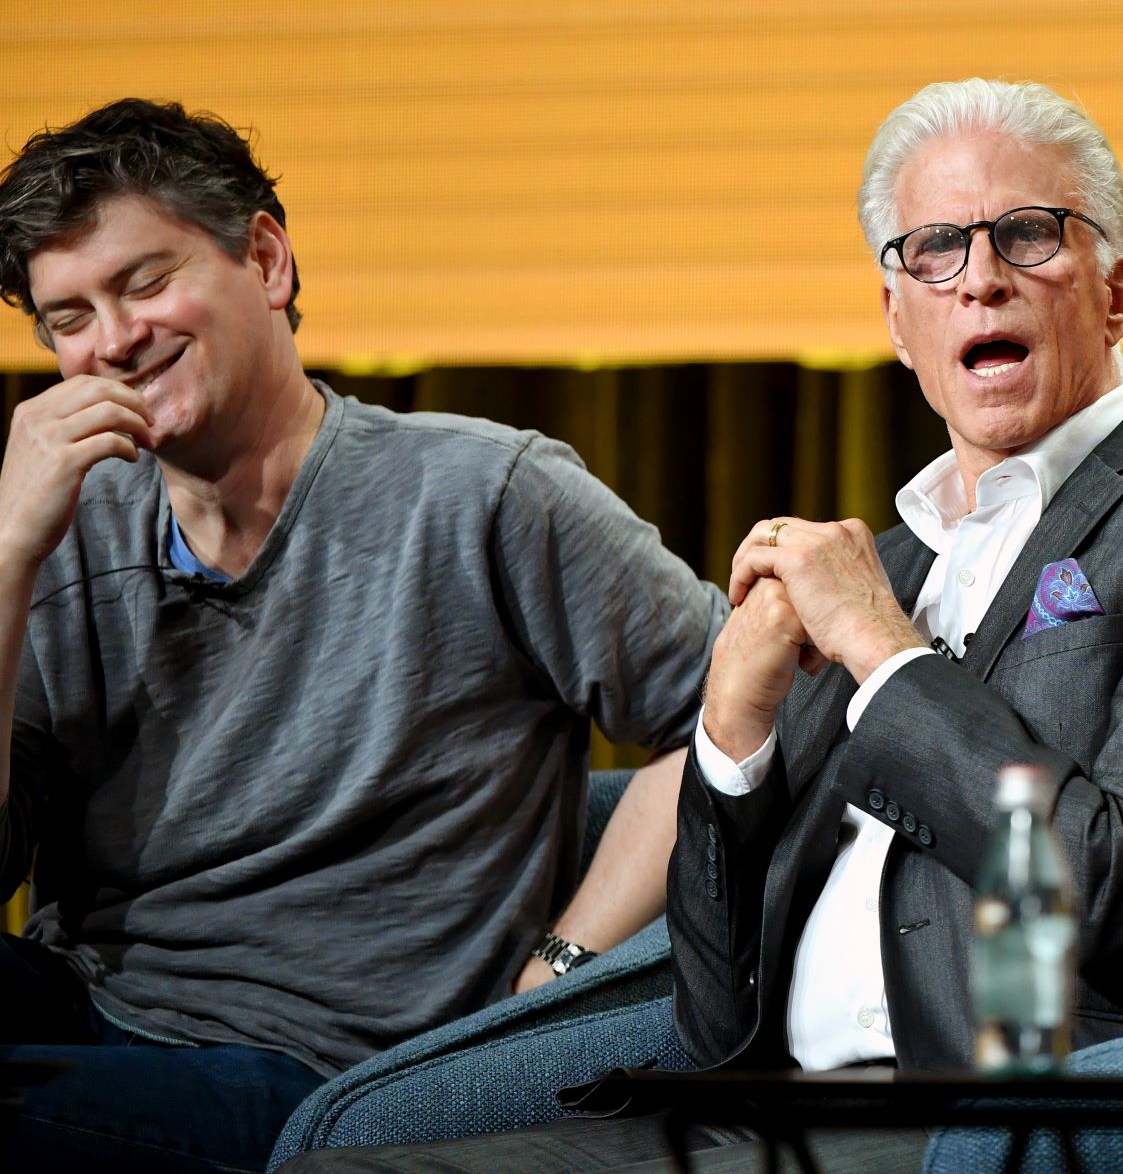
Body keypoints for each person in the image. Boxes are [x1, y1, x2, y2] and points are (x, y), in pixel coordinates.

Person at [293, 77, 1123, 1171]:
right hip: (755, 1117)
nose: (981, 278)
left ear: (1115, 293)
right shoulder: (884, 565)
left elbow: (1110, 885)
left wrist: (882, 652)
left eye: (1029, 235)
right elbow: (715, 1010)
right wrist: (733, 734)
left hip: (998, 1122)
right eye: (934, 249)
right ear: (898, 323)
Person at [0, 99, 727, 1173]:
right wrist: (9, 557)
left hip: (316, 1066)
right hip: (86, 1002)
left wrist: (563, 963)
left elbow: (733, 705)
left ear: (266, 259)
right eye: (68, 318)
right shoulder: (59, 526)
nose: (111, 340)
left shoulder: (481, 494)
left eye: (145, 282)